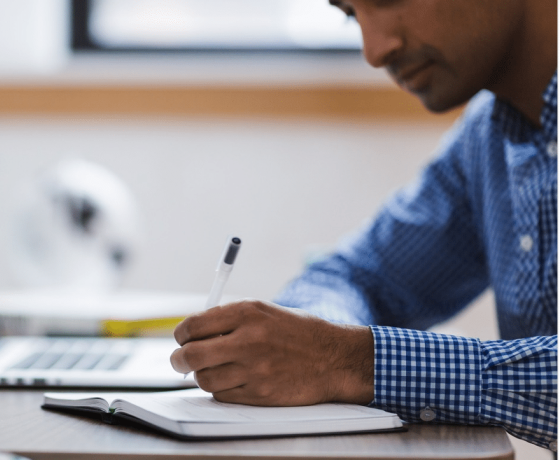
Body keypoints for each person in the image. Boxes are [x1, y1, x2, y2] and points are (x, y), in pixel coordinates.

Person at [169, 0, 558, 452]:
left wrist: (353, 362)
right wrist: (311, 347)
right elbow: (357, 276)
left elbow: (346, 353)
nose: (374, 51)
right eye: (351, 14)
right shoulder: (489, 137)